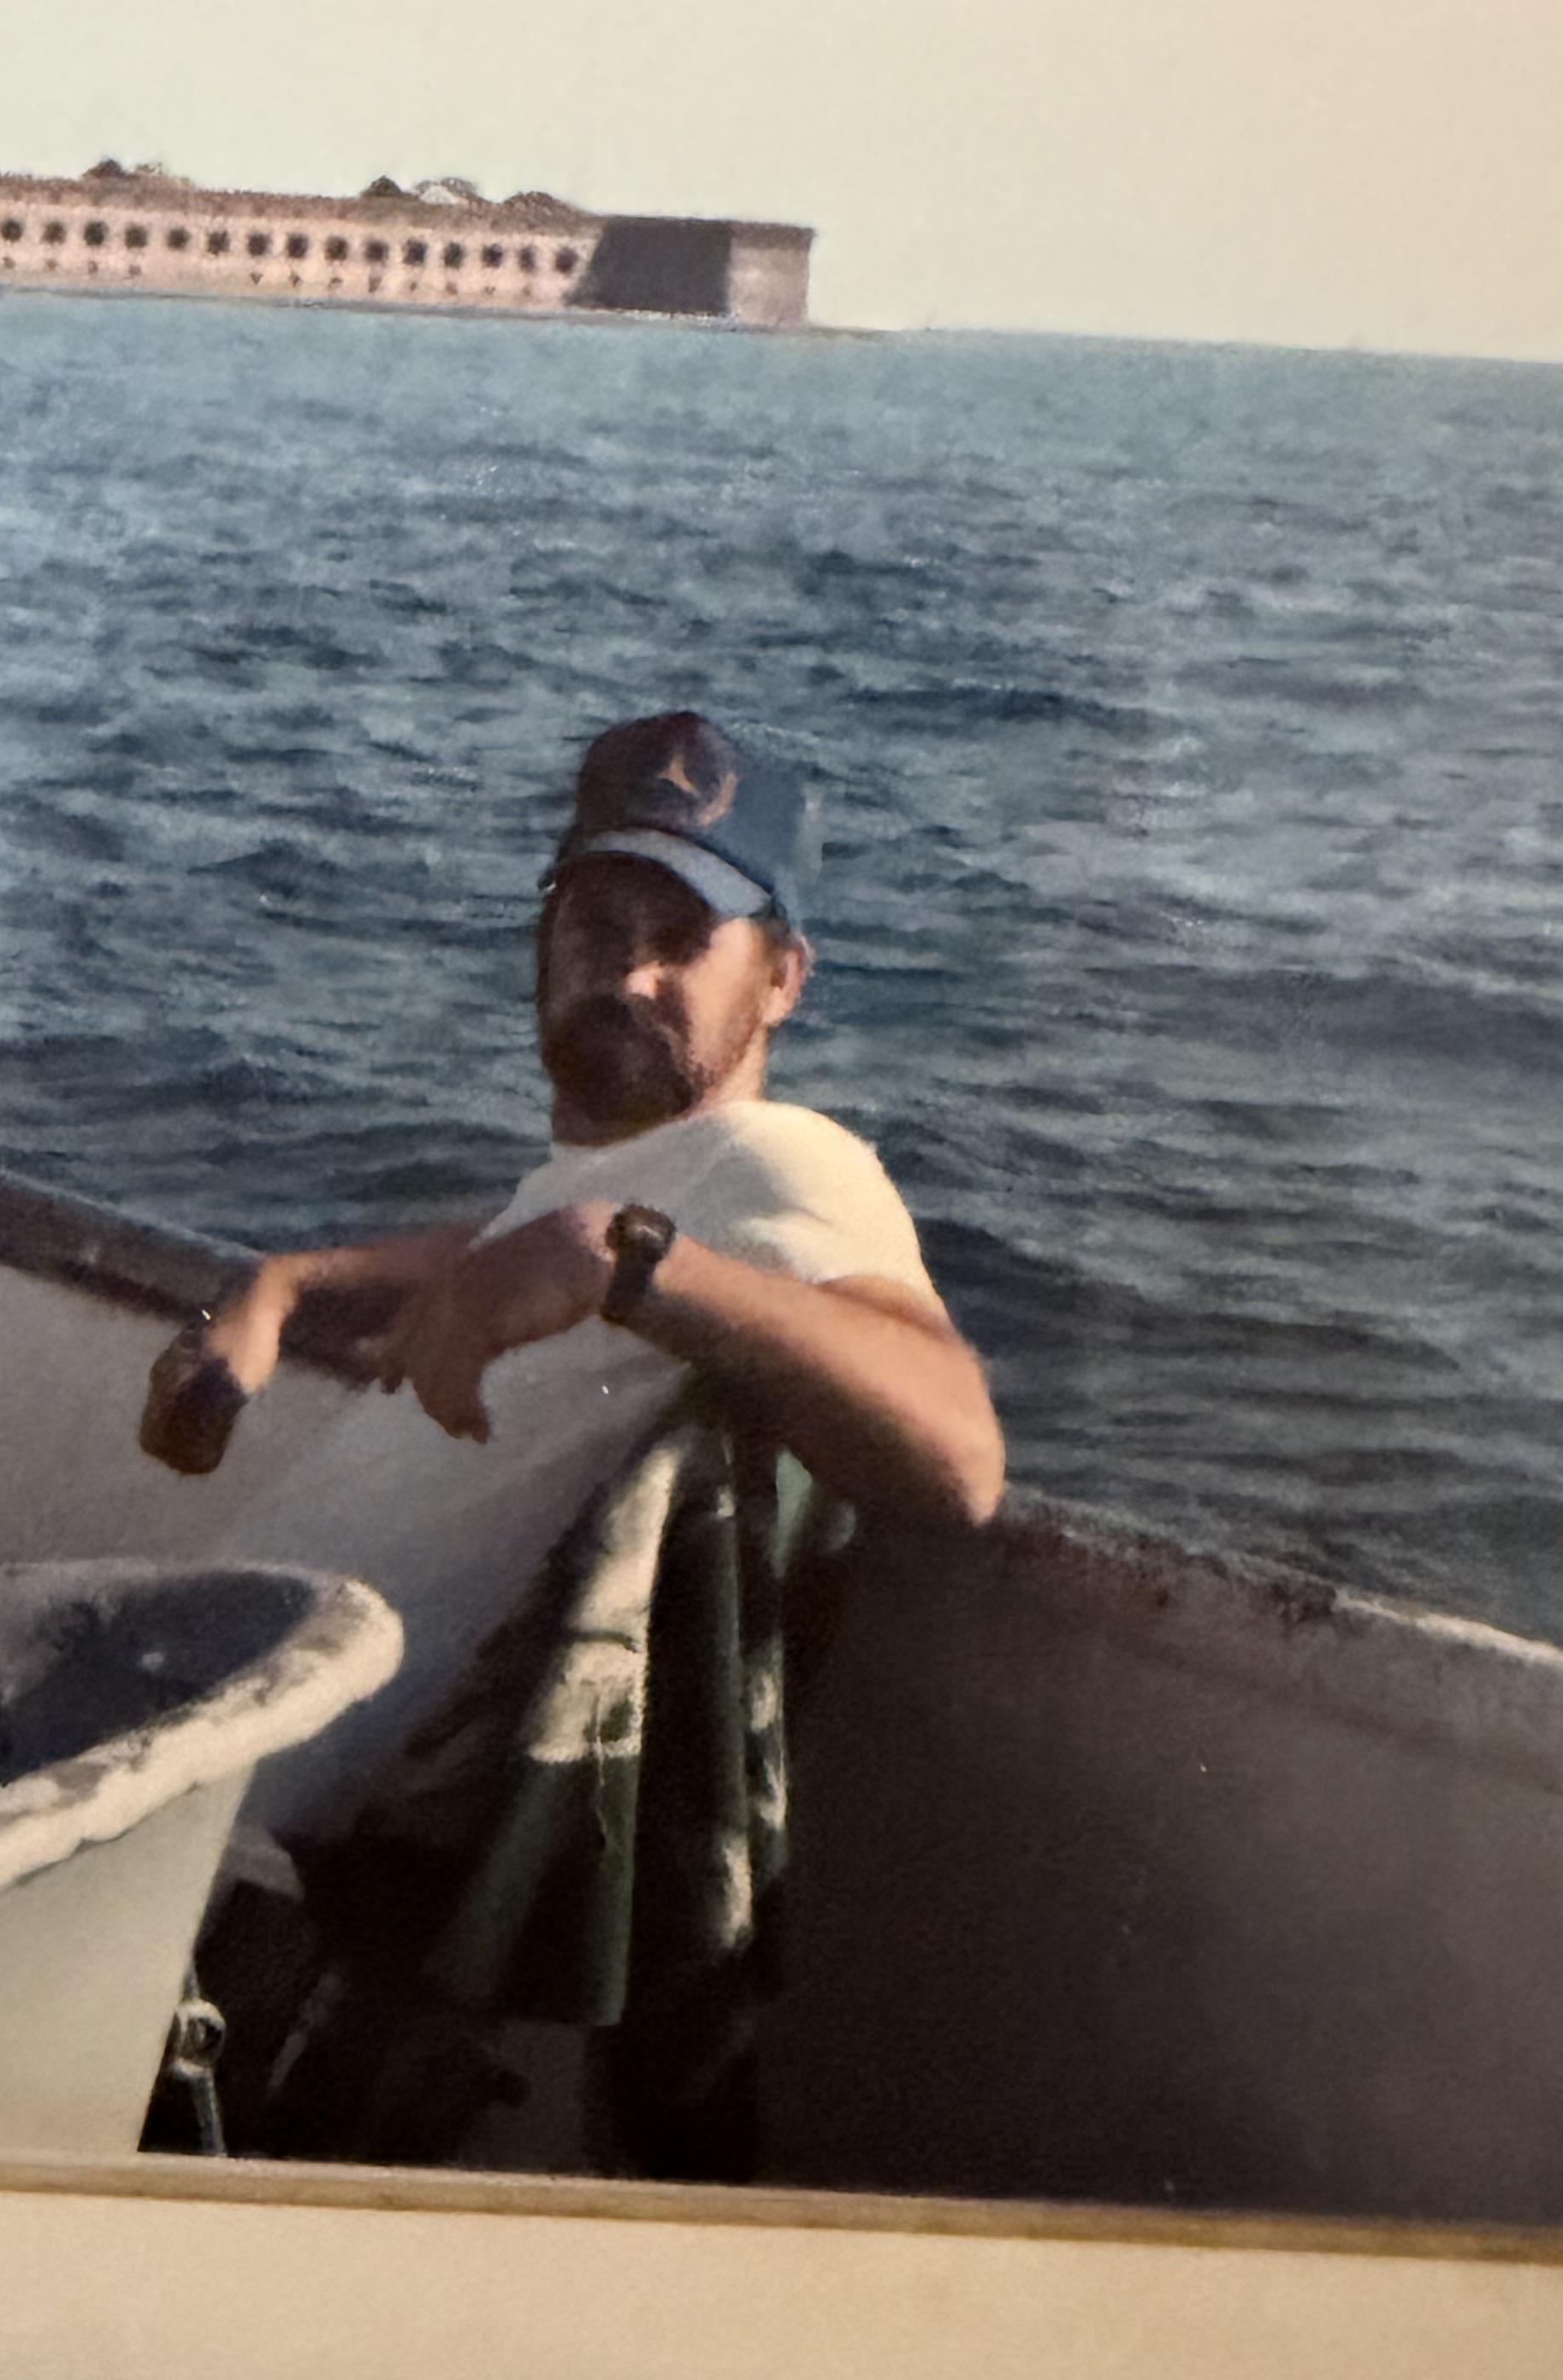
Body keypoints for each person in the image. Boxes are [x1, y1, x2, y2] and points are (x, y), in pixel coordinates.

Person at [139, 708, 1002, 1839]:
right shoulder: (637, 1181)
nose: (630, 974)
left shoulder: (779, 1161)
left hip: (232, 1834)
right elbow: (509, 1254)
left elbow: (962, 1459)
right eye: (599, 924)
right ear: (545, 938)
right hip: (187, 1758)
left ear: (783, 979)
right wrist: (291, 1284)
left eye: (685, 939)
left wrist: (614, 1258)